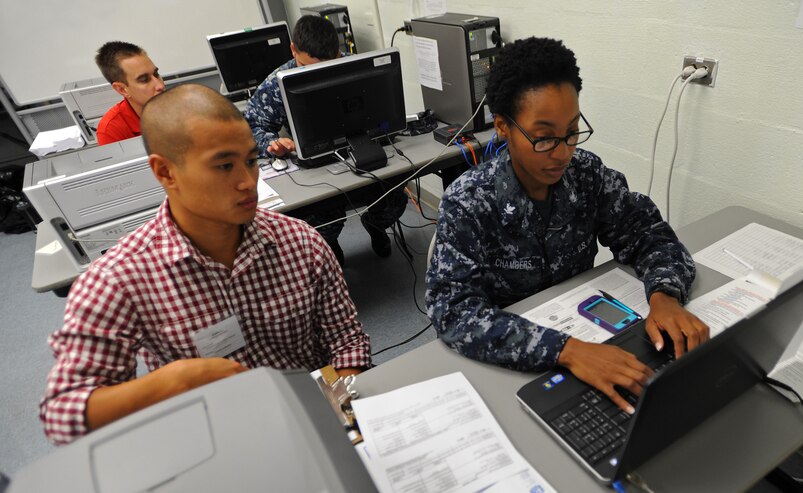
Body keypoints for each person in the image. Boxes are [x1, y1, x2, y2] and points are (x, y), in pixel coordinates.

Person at [40, 85, 371, 445]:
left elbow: (347, 340)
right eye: (224, 165)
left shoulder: (300, 241)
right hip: (214, 434)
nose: (247, 182)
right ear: (165, 172)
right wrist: (172, 383)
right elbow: (62, 415)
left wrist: (342, 415)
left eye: (251, 160)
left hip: (314, 412)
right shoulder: (120, 278)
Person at [425, 37, 710, 415]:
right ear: (503, 128)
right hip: (508, 366)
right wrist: (567, 351)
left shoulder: (586, 175)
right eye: (543, 138)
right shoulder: (470, 201)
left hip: (588, 328)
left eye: (572, 132)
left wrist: (664, 297)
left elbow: (647, 233)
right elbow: (454, 311)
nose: (562, 153)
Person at [244, 15, 406, 265]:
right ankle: (328, 247)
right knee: (323, 221)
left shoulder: (356, 66)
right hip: (316, 170)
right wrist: (272, 143)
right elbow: (252, 125)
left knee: (396, 198)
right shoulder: (278, 82)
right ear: (293, 50)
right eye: (310, 67)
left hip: (361, 152)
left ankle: (374, 225)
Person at [94, 41, 165, 145]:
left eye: (156, 74)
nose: (160, 86)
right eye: (144, 80)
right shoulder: (111, 130)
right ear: (122, 90)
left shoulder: (182, 105)